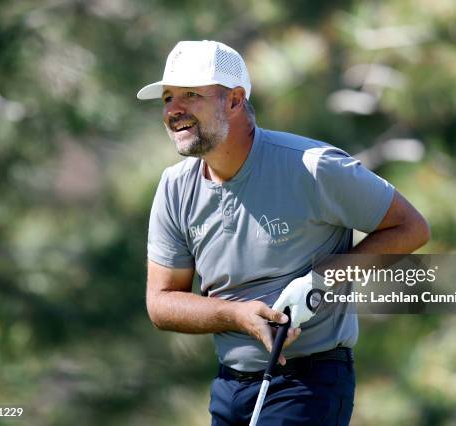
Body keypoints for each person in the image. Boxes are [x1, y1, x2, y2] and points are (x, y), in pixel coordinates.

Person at [138, 40, 430, 426]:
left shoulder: (312, 168)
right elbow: (161, 303)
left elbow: (411, 227)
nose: (174, 110)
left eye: (191, 95)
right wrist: (236, 315)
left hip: (309, 382)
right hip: (229, 386)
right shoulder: (175, 187)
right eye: (168, 98)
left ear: (235, 100)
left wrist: (322, 280)